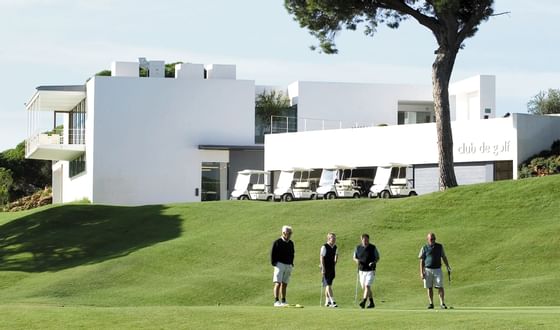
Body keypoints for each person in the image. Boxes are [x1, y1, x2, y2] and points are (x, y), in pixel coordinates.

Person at [419, 232, 452, 309]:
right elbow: (421, 261)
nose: (433, 240)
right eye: (431, 239)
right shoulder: (424, 247)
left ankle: (442, 303)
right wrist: (421, 272)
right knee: (429, 287)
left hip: (437, 269)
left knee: (440, 286)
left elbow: (443, 257)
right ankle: (431, 303)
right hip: (427, 270)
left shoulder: (439, 247)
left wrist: (447, 266)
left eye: (434, 239)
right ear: (427, 239)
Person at [353, 233, 380, 309]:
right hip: (361, 271)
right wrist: (356, 260)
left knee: (367, 286)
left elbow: (377, 257)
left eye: (367, 240)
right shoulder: (357, 248)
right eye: (364, 240)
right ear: (361, 240)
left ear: (368, 240)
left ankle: (363, 302)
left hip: (370, 270)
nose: (365, 241)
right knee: (365, 288)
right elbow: (354, 257)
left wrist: (373, 262)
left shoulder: (373, 247)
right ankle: (371, 302)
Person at [271, 225, 295, 307]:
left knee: (285, 284)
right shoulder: (277, 242)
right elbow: (272, 254)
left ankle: (283, 301)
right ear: (284, 233)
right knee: (278, 283)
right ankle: (276, 301)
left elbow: (292, 254)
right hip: (279, 264)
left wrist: (291, 263)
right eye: (289, 233)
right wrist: (275, 264)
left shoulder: (291, 243)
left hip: (288, 265)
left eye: (291, 233)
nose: (290, 234)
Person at [320, 232, 339, 307]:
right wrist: (323, 268)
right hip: (325, 267)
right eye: (332, 238)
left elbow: (336, 256)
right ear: (328, 238)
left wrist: (335, 262)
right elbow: (321, 258)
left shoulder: (335, 247)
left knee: (328, 284)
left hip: (332, 268)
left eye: (334, 238)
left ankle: (327, 302)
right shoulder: (324, 247)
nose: (334, 239)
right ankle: (332, 302)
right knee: (328, 284)